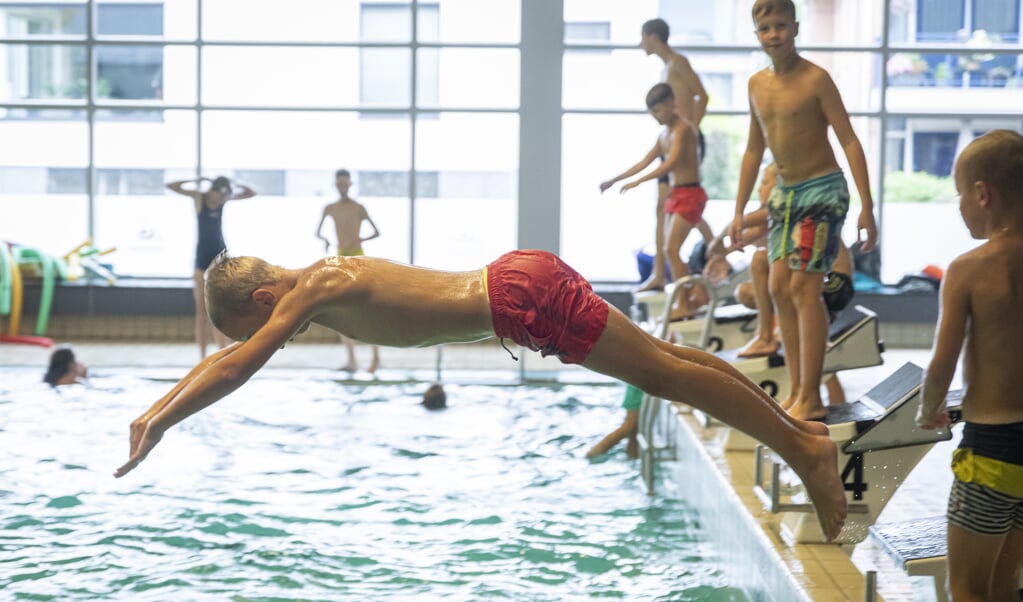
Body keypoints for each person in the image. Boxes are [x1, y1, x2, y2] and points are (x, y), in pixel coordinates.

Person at [113, 248, 848, 542]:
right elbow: (231, 358)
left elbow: (238, 367)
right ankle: (801, 436)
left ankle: (802, 453)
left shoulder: (314, 289)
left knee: (660, 374)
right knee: (665, 358)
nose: (273, 331)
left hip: (518, 298)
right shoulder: (316, 281)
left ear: (266, 296)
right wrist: (152, 411)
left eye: (261, 320)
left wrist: (167, 423)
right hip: (520, 282)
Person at [729, 0, 877, 421]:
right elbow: (754, 149)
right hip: (786, 196)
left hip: (822, 191)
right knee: (778, 288)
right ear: (756, 34)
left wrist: (867, 206)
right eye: (765, 28)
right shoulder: (756, 85)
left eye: (781, 26)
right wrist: (739, 210)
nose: (774, 34)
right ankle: (796, 391)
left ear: (795, 28)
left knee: (802, 289)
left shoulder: (817, 79)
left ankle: (811, 396)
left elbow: (849, 139)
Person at [917, 130, 1023, 602]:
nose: (959, 205)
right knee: (1006, 583)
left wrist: (927, 412)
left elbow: (941, 364)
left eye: (959, 193)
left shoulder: (968, 268)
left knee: (967, 588)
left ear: (982, 193)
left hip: (992, 451)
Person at [600, 83, 713, 321]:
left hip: (690, 193)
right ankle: (688, 298)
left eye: (659, 111)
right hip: (677, 195)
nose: (656, 117)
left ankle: (686, 303)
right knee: (668, 249)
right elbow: (644, 161)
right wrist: (614, 179)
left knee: (671, 249)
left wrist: (639, 182)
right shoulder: (664, 134)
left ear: (672, 104)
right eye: (653, 113)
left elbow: (671, 163)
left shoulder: (684, 128)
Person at [637, 18, 711, 293]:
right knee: (668, 205)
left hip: (684, 139)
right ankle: (660, 272)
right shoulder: (666, 69)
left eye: (643, 38)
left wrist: (692, 129)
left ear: (653, 37)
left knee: (684, 200)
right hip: (672, 139)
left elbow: (702, 95)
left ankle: (713, 249)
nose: (642, 44)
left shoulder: (677, 62)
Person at [166, 175, 257, 359]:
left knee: (221, 309)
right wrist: (197, 179)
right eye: (217, 195)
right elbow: (171, 185)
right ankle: (202, 357)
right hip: (201, 258)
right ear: (212, 190)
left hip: (221, 257)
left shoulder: (224, 199)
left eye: (223, 196)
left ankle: (222, 354)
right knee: (202, 311)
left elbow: (251, 193)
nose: (219, 200)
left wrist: (234, 183)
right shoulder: (199, 198)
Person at [315, 169, 381, 373]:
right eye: (339, 185)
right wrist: (326, 241)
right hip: (340, 257)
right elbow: (317, 232)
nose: (343, 188)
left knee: (367, 309)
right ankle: (351, 360)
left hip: (358, 256)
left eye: (346, 184)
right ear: (336, 185)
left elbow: (377, 232)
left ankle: (375, 358)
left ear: (350, 185)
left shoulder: (358, 207)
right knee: (341, 309)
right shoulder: (330, 208)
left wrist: (359, 239)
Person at [586, 384, 642, 460]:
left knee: (634, 432)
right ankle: (593, 454)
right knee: (630, 427)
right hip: (637, 389)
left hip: (637, 388)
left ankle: (632, 458)